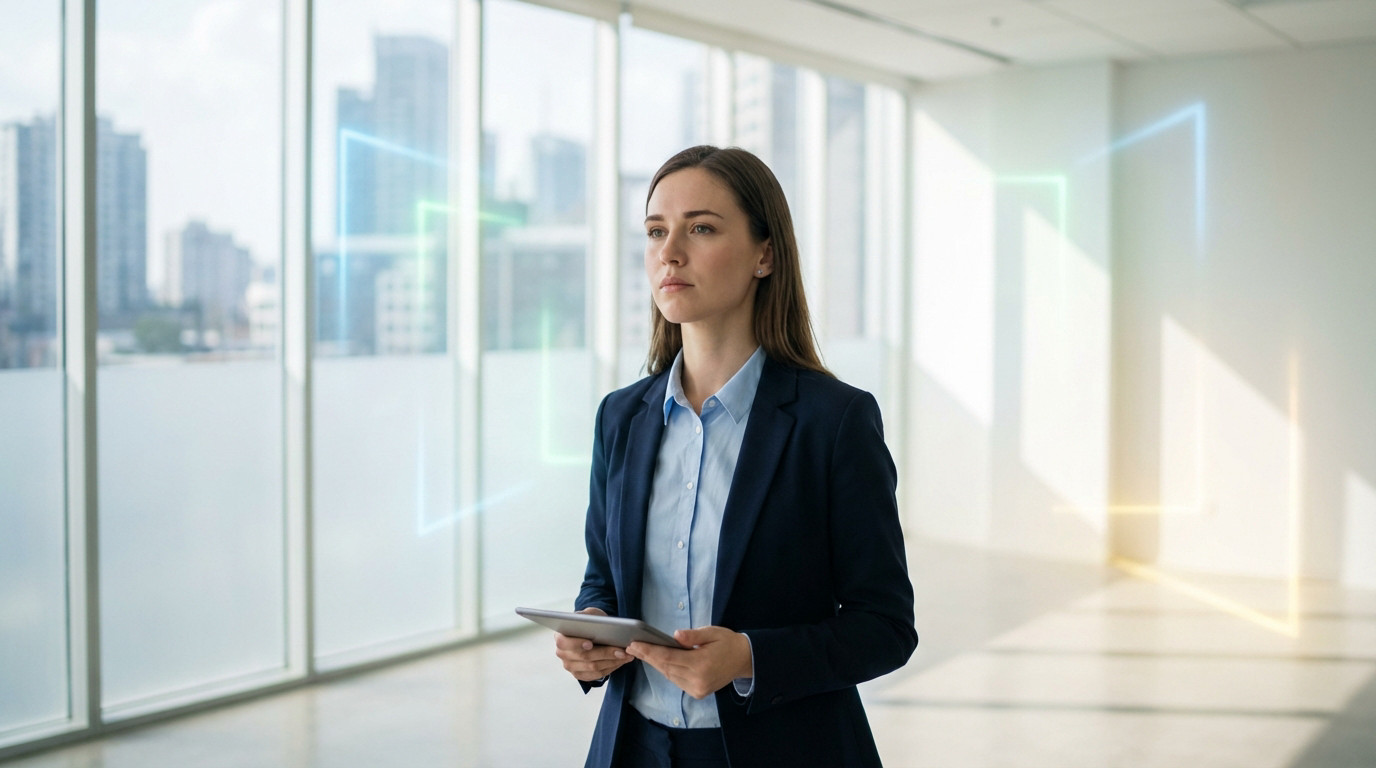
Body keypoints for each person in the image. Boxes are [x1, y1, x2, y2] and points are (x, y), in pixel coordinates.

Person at [554, 145, 917, 768]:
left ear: (764, 255)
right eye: (655, 231)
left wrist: (749, 657)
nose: (670, 253)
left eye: (700, 229)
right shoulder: (621, 418)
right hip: (634, 747)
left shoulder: (834, 422)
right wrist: (591, 630)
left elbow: (884, 627)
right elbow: (603, 581)